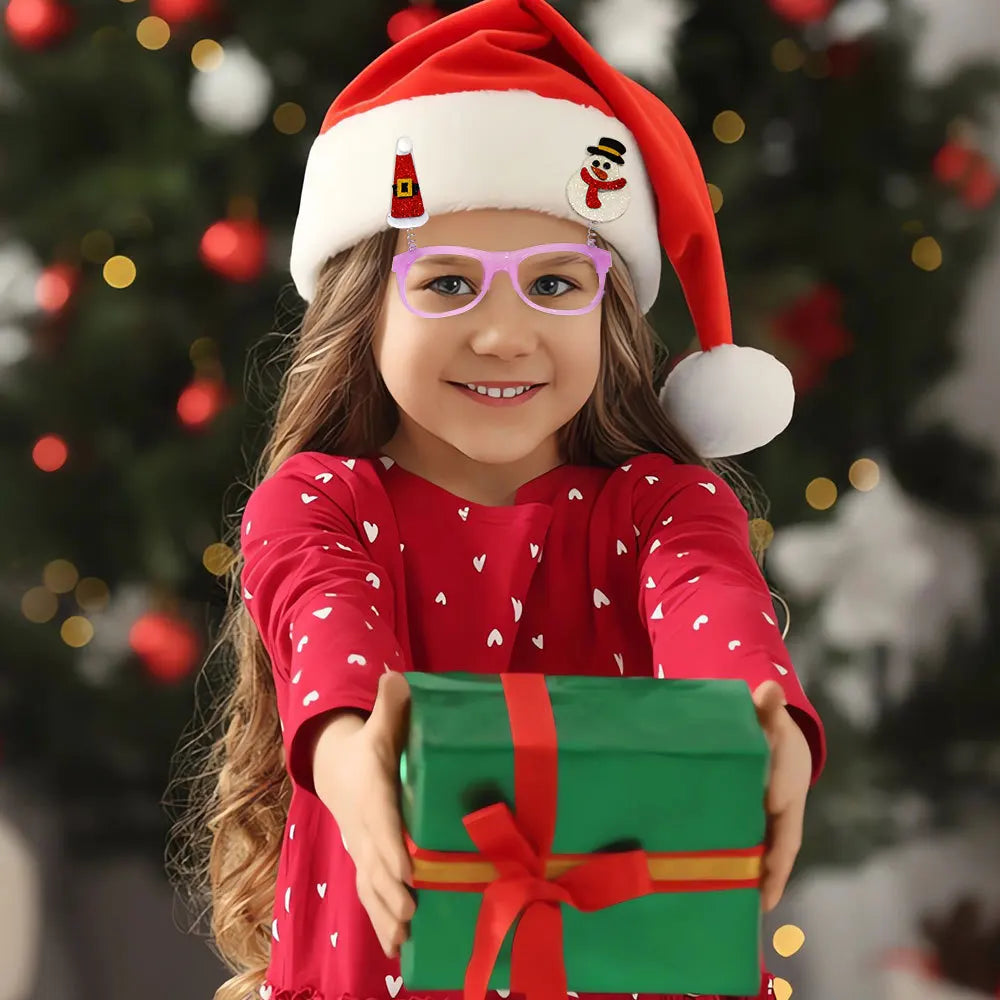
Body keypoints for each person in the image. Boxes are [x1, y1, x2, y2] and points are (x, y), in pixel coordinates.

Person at [171, 1, 827, 999]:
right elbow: (327, 629)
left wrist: (763, 721)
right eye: (447, 284)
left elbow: (710, 601)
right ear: (366, 305)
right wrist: (353, 765)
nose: (503, 334)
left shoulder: (659, 508)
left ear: (609, 311)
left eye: (555, 284)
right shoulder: (321, 505)